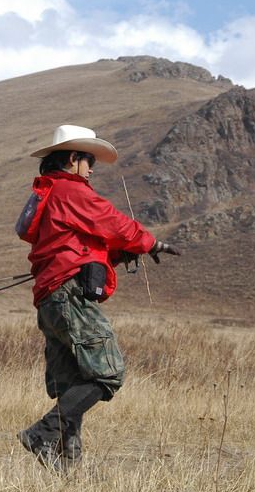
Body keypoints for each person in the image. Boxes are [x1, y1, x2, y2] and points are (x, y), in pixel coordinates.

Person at [15, 125, 181, 471]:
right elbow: (114, 224)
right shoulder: (70, 191)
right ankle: (41, 434)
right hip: (70, 296)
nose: (91, 169)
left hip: (50, 300)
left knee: (73, 386)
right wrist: (150, 243)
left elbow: (77, 247)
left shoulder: (50, 195)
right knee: (108, 374)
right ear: (73, 159)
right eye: (88, 160)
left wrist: (117, 257)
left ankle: (66, 470)